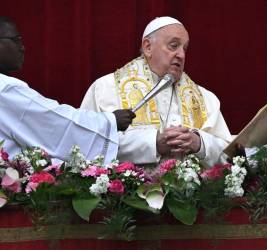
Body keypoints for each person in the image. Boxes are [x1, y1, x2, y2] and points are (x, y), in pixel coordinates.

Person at [81, 16, 232, 168]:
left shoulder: (206, 98)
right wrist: (153, 143)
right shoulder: (106, 88)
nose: (181, 55)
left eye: (184, 48)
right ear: (147, 47)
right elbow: (86, 145)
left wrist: (199, 143)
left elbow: (230, 154)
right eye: (174, 46)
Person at [0, 16, 136, 164]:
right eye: (15, 40)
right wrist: (110, 121)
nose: (22, 47)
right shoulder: (5, 89)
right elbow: (54, 122)